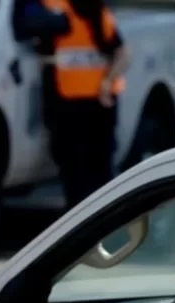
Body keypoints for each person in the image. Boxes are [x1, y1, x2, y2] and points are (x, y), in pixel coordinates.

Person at [38, 0, 130, 211]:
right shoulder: (76, 11)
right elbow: (122, 53)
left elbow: (123, 53)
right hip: (88, 103)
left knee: (82, 172)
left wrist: (107, 81)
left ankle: (90, 220)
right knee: (88, 172)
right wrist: (108, 82)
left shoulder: (69, 9)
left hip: (83, 103)